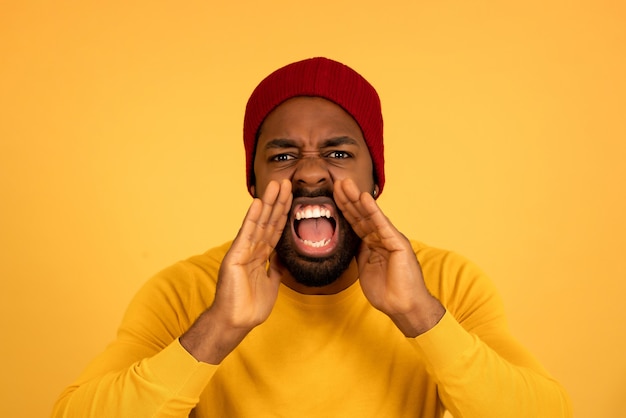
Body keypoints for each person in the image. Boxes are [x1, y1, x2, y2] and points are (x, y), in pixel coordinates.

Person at [52, 57, 572, 417]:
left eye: (339, 153)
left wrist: (420, 316)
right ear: (254, 182)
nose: (309, 173)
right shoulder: (183, 292)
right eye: (282, 156)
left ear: (375, 178)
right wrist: (218, 328)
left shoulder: (447, 284)